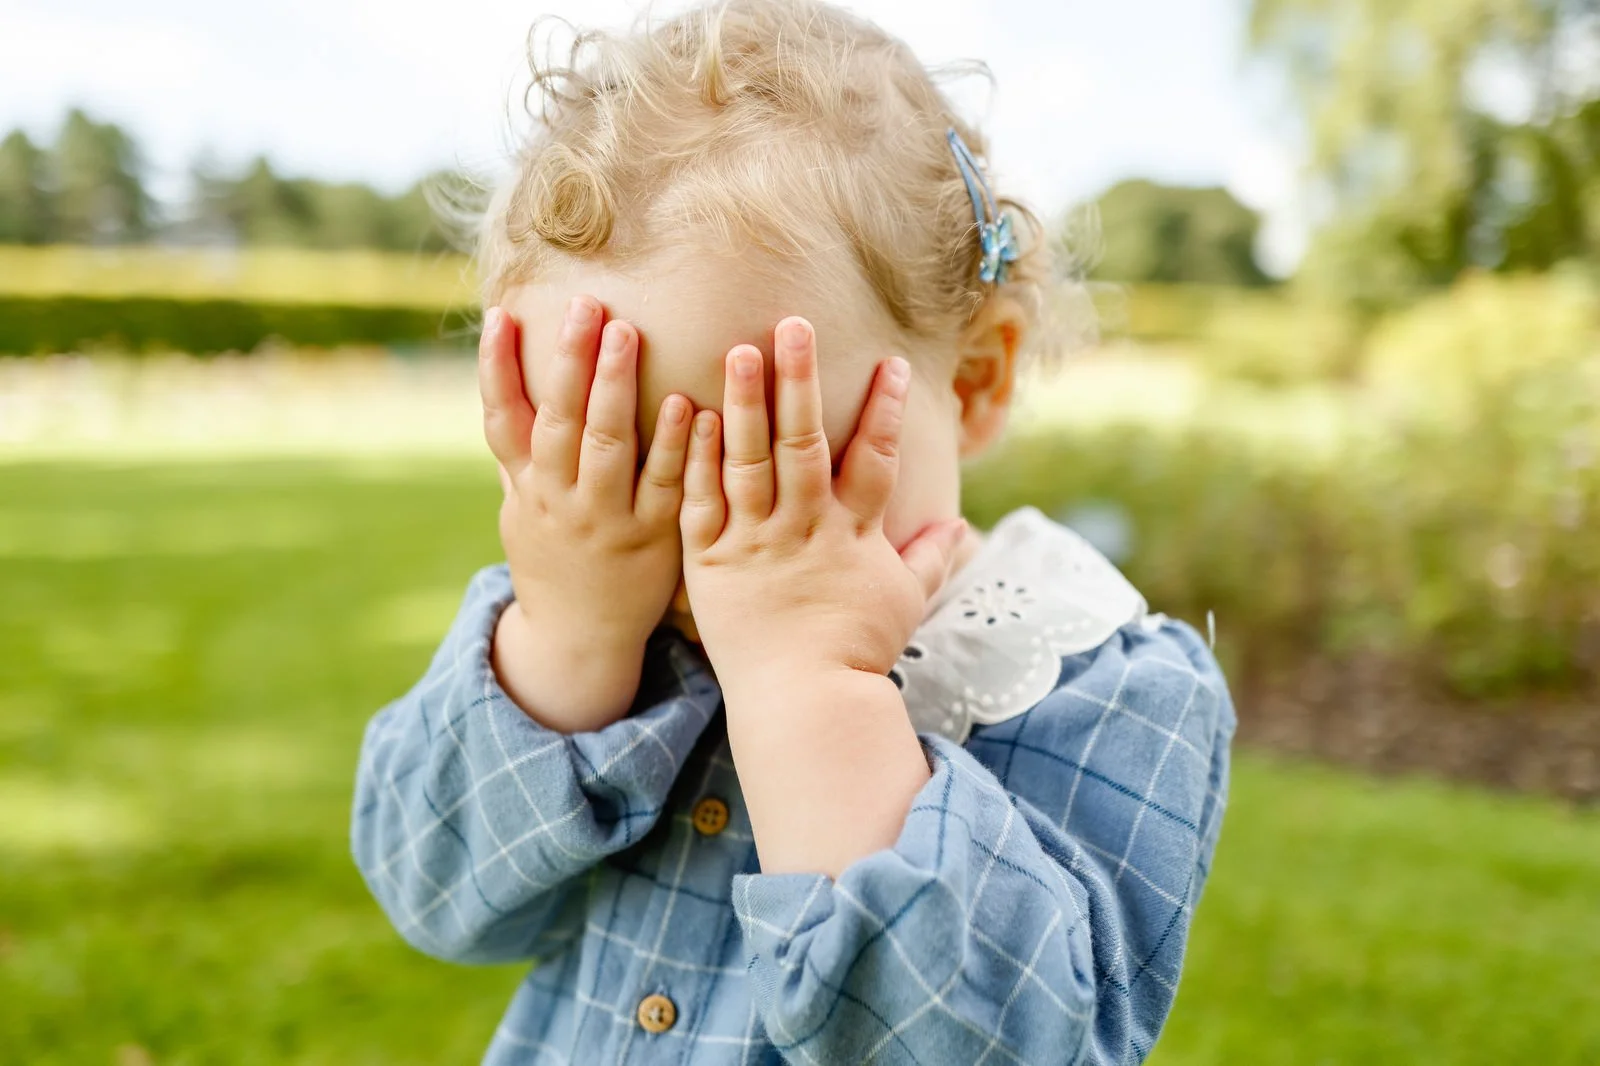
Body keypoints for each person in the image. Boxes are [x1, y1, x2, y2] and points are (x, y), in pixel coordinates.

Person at [351, 1, 1235, 1062]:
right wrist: (566, 645)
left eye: (760, 457)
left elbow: (1004, 1041)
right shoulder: (596, 627)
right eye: (603, 458)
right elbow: (431, 892)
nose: (686, 535)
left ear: (977, 376)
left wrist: (808, 691)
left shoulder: (1094, 681)